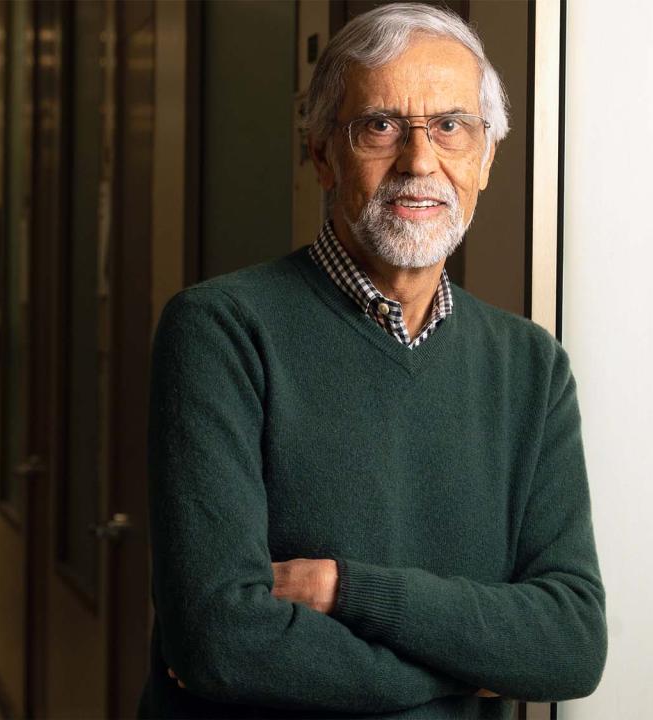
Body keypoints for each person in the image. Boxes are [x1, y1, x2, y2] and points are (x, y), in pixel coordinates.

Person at [137, 4, 606, 718]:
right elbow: (218, 640)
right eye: (380, 126)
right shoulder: (219, 331)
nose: (420, 162)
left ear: (485, 158)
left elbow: (570, 643)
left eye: (451, 127)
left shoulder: (530, 368)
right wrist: (465, 670)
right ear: (322, 152)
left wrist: (347, 592)